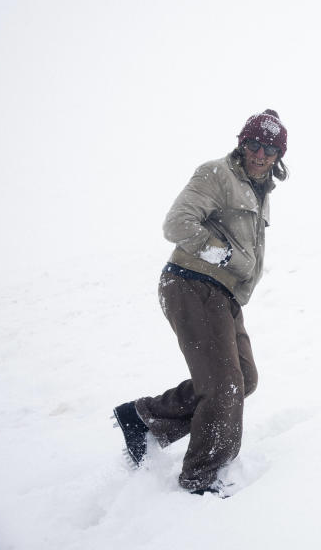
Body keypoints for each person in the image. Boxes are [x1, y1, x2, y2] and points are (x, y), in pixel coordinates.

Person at [113, 109, 289, 496]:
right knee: (225, 385)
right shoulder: (217, 174)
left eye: (270, 148)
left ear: (279, 156)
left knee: (244, 378)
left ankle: (144, 417)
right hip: (192, 283)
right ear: (242, 143)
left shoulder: (259, 192)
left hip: (222, 296)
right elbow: (176, 223)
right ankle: (201, 478)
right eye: (254, 144)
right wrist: (222, 255)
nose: (260, 153)